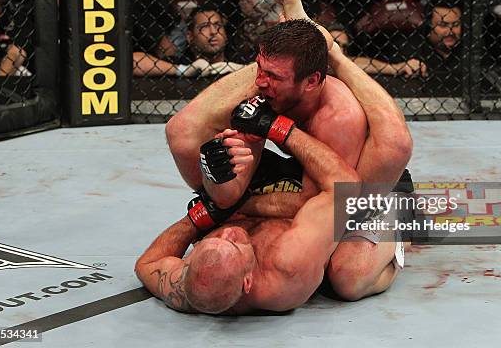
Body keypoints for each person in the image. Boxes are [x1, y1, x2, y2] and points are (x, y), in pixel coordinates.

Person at [163, 0, 413, 302]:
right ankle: (312, 39)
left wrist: (233, 210)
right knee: (185, 140)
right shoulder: (263, 89)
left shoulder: (337, 117)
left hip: (358, 192)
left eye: (274, 76)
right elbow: (185, 133)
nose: (260, 82)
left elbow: (325, 199)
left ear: (311, 82)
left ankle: (396, 231)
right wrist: (221, 193)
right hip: (301, 172)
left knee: (347, 277)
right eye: (260, 68)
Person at [135, 121, 359, 314]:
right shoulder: (288, 262)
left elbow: (146, 264)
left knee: (183, 136)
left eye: (214, 238)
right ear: (248, 282)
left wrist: (201, 218)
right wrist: (279, 128)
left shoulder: (187, 288)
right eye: (233, 244)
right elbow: (347, 188)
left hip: (272, 198)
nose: (227, 232)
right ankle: (394, 235)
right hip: (356, 206)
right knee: (348, 276)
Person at [133, 6, 245, 78]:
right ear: (190, 36)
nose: (213, 32)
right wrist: (183, 70)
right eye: (204, 27)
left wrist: (242, 69)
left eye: (218, 26)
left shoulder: (237, 60)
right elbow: (132, 62)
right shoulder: (179, 62)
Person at [327, 22, 427, 78]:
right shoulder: (314, 61)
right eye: (335, 43)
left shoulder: (345, 63)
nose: (339, 49)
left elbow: (360, 62)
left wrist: (396, 68)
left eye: (344, 46)